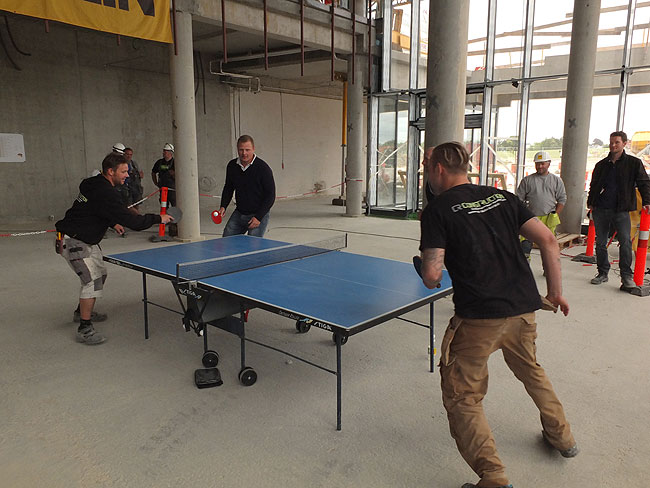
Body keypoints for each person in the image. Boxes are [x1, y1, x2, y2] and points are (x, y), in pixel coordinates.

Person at [417, 142, 577, 488]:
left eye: (428, 167)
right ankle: (562, 437)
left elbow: (432, 276)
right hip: (523, 308)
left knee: (463, 396)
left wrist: (423, 267)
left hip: (478, 318)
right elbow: (549, 240)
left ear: (438, 170)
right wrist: (554, 293)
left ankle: (493, 477)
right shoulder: (501, 197)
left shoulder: (437, 211)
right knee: (532, 371)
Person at [55, 152, 174, 345]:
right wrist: (158, 218)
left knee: (100, 274)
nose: (127, 175)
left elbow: (96, 208)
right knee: (91, 281)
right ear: (110, 171)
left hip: (86, 239)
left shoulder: (93, 183)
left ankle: (81, 311)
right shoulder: (106, 193)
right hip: (74, 241)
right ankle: (84, 328)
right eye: (124, 171)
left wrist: (112, 222)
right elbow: (134, 222)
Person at [587, 131, 650, 289]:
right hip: (601, 209)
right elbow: (594, 185)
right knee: (600, 243)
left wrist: (647, 202)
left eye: (617, 142)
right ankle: (602, 273)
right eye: (611, 142)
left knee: (625, 242)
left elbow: (644, 183)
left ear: (624, 144)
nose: (613, 145)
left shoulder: (634, 163)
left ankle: (626, 277)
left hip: (621, 210)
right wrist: (591, 203)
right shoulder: (601, 165)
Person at [219, 135, 276, 237]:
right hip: (240, 212)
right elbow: (228, 187)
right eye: (241, 150)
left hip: (258, 214)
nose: (244, 153)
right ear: (237, 149)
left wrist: (258, 217)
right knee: (227, 239)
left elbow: (270, 195)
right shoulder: (232, 166)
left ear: (253, 149)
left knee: (253, 244)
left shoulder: (263, 168)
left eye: (247, 150)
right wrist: (223, 206)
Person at [516, 151, 567, 261]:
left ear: (549, 163)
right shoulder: (527, 180)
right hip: (530, 219)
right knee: (525, 246)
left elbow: (562, 199)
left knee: (549, 249)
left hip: (548, 219)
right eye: (537, 164)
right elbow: (518, 200)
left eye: (542, 163)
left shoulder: (556, 181)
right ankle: (525, 268)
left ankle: (549, 268)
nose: (539, 166)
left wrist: (555, 214)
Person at [151, 143, 176, 208]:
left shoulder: (175, 163)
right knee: (164, 207)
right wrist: (156, 183)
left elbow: (181, 176)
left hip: (172, 190)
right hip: (163, 189)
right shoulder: (159, 162)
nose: (164, 152)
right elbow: (153, 173)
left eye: (166, 151)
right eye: (164, 151)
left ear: (171, 152)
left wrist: (174, 174)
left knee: (174, 206)